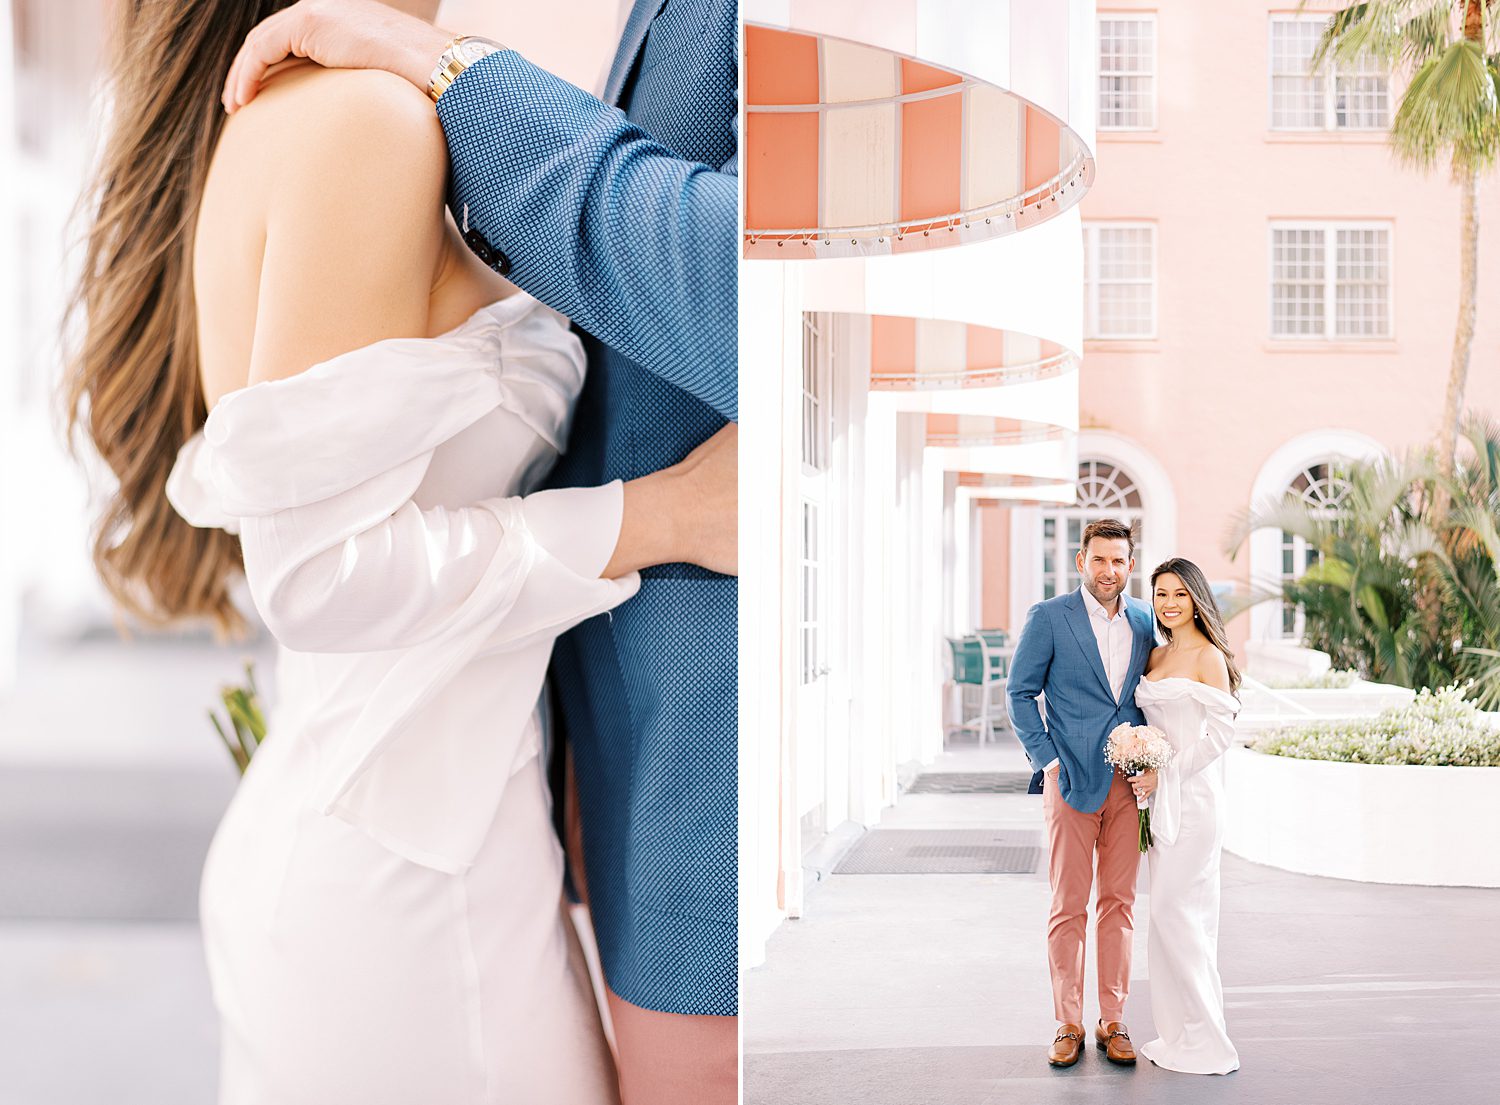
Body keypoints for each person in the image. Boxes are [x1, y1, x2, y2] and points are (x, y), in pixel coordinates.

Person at [63, 1, 734, 1101]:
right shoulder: (363, 124)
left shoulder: (357, 112)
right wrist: (668, 515)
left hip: (429, 838)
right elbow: (318, 577)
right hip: (406, 880)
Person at [1006, 518, 1157, 1069]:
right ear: (1080, 561)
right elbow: (1020, 693)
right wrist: (1047, 761)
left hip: (1128, 785)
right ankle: (1066, 1022)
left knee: (1120, 904)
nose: (1108, 570)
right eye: (1099, 559)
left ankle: (1112, 1020)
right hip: (1069, 782)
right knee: (1068, 905)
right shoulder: (1049, 618)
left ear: (1130, 565)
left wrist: (1154, 760)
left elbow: (1150, 697)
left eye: (1119, 561)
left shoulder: (1145, 620)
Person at [1129, 558, 1242, 1075]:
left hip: (1194, 801)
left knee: (1175, 913)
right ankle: (1179, 1033)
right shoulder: (1157, 653)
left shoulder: (1208, 657)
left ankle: (1208, 1040)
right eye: (1160, 594)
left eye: (1179, 593)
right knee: (1168, 917)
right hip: (1157, 803)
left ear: (1196, 598)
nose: (1169, 603)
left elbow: (1219, 735)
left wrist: (1165, 771)